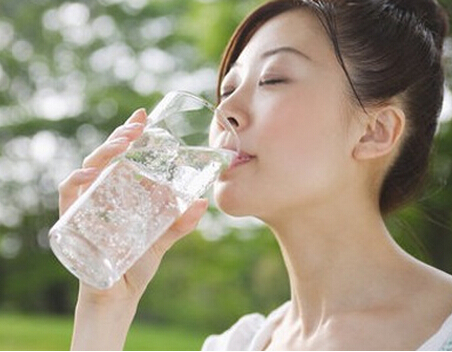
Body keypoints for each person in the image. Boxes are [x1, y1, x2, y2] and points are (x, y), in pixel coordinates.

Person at [58, 0, 452, 350]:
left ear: (374, 131)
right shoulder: (237, 344)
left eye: (272, 79)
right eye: (227, 88)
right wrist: (105, 307)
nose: (226, 110)